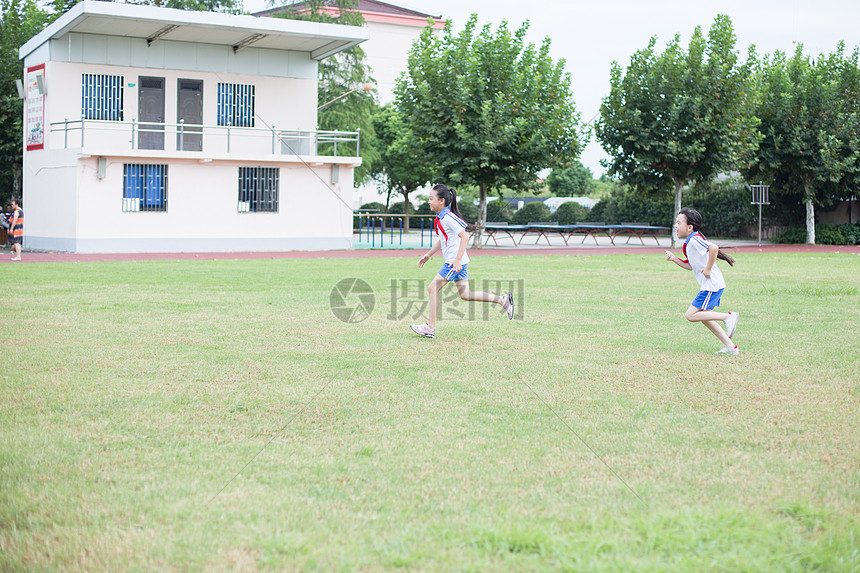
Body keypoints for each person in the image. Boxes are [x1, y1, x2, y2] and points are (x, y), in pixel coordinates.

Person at [411, 184, 514, 339]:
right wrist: (428, 254)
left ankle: (430, 327)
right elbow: (443, 240)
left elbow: (464, 236)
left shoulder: (448, 217)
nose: (428, 202)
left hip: (454, 262)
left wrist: (457, 260)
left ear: (442, 201)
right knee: (466, 294)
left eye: (431, 199)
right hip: (457, 261)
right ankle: (503, 300)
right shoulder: (441, 218)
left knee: (432, 289)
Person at [665, 207, 739, 354]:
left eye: (679, 223)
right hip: (712, 284)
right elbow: (689, 266)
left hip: (711, 285)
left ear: (690, 227)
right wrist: (674, 259)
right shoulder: (690, 242)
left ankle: (728, 316)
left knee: (690, 315)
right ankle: (731, 348)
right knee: (705, 317)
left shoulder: (695, 239)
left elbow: (713, 248)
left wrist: (708, 268)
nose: (676, 226)